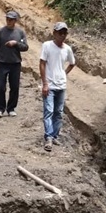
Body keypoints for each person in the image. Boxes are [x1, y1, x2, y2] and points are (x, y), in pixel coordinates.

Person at [39, 22, 76, 151]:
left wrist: (64, 74)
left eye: (64, 33)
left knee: (58, 112)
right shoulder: (47, 46)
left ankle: (55, 135)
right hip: (49, 84)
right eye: (60, 33)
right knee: (49, 111)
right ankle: (48, 137)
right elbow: (42, 63)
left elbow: (72, 63)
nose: (62, 35)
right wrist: (44, 83)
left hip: (61, 85)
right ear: (54, 33)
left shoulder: (67, 49)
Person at [0, 10, 29, 118]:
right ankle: (0, 108)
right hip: (2, 63)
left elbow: (25, 47)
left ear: (15, 21)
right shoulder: (0, 32)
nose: (8, 21)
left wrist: (16, 43)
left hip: (15, 63)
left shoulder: (20, 33)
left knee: (14, 87)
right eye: (7, 19)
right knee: (0, 86)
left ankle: (11, 108)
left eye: (11, 19)